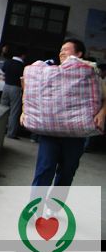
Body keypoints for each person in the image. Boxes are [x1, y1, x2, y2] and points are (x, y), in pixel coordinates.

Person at [30, 39, 106, 188]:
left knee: (67, 173)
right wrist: (26, 111)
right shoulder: (51, 72)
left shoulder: (90, 74)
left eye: (66, 49)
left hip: (75, 135)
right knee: (44, 170)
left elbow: (104, 97)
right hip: (51, 132)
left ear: (79, 54)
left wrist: (102, 113)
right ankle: (36, 203)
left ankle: (56, 203)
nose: (61, 52)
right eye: (60, 49)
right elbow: (32, 93)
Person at [0, 46, 26, 139]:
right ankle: (11, 133)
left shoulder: (8, 62)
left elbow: (3, 71)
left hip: (6, 87)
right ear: (23, 55)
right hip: (16, 89)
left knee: (1, 110)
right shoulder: (22, 66)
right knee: (14, 112)